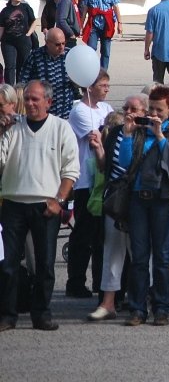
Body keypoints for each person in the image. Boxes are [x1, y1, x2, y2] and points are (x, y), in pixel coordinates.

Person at [0, 81, 79, 331]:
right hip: (13, 202)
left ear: (48, 102)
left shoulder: (61, 128)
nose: (31, 104)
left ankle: (42, 313)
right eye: (29, 99)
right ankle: (7, 314)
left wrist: (60, 201)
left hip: (45, 204)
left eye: (36, 99)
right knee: (8, 264)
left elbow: (70, 170)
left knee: (45, 264)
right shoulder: (14, 128)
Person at [121, 86, 169, 327]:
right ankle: (137, 308)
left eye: (159, 110)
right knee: (139, 257)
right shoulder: (139, 130)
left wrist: (160, 135)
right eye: (151, 108)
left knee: (161, 256)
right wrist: (128, 135)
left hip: (162, 198)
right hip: (138, 197)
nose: (154, 114)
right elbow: (125, 163)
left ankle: (161, 307)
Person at [65, 70, 112, 300]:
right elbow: (97, 136)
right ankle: (75, 281)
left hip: (103, 179)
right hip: (85, 179)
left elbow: (112, 130)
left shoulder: (106, 109)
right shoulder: (79, 111)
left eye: (107, 85)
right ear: (90, 87)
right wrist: (106, 132)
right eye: (102, 85)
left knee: (102, 235)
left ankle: (100, 282)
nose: (106, 89)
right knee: (83, 233)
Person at [18, 28, 74, 118]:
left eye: (63, 43)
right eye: (57, 44)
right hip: (42, 114)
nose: (61, 47)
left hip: (65, 112)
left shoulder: (70, 55)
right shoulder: (35, 56)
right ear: (47, 42)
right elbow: (22, 82)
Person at [83, 0, 122, 69]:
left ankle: (103, 73)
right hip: (94, 24)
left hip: (107, 23)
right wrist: (81, 24)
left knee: (106, 51)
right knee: (91, 49)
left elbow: (115, 6)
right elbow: (85, 8)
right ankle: (92, 70)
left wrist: (120, 24)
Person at [0, 0, 35, 85]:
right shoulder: (5, 11)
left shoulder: (26, 8)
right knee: (10, 66)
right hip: (8, 42)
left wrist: (29, 33)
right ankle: (9, 89)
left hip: (24, 41)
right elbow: (1, 27)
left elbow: (34, 21)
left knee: (22, 65)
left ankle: (20, 89)